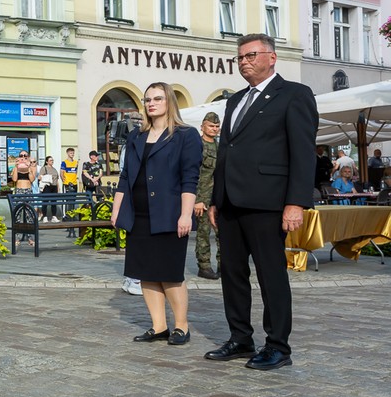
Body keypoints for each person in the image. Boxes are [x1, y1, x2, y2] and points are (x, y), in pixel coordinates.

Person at [207, 33, 318, 371]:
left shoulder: (294, 94)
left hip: (268, 202)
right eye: (240, 57)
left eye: (251, 55)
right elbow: (225, 152)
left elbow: (303, 153)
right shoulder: (234, 100)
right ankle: (240, 337)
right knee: (232, 273)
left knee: (271, 275)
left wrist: (296, 202)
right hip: (230, 202)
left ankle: (278, 346)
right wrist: (215, 199)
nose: (244, 62)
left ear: (272, 57)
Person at [111, 83, 203, 346]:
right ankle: (159, 326)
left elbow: (190, 178)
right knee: (146, 272)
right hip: (138, 214)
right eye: (148, 99)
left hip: (169, 214)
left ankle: (181, 326)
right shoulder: (136, 136)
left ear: (169, 101)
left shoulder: (186, 135)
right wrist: (117, 209)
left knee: (170, 273)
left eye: (158, 99)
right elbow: (125, 176)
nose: (151, 103)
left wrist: (185, 215)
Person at [193, 112, 222, 280]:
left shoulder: (220, 146)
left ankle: (223, 265)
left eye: (217, 126)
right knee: (203, 232)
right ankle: (204, 266)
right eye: (211, 126)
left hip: (218, 197)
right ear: (202, 126)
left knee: (221, 232)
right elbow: (193, 174)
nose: (214, 129)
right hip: (203, 197)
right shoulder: (197, 145)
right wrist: (197, 200)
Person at [11, 152, 36, 246]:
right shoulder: (16, 167)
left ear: (28, 157)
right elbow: (14, 179)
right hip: (19, 190)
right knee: (17, 214)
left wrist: (28, 168)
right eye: (21, 156)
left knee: (29, 214)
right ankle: (16, 237)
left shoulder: (31, 167)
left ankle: (30, 238)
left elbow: (32, 179)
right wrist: (16, 167)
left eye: (25, 156)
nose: (23, 157)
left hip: (28, 190)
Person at [38, 155, 60, 222]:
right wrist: (46, 178)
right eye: (50, 160)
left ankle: (54, 216)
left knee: (54, 202)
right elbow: (39, 177)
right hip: (47, 186)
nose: (52, 161)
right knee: (45, 202)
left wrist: (58, 188)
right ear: (47, 162)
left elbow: (57, 179)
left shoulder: (54, 169)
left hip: (54, 187)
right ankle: (45, 216)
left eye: (52, 160)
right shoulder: (44, 168)